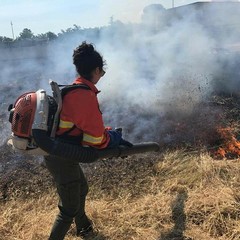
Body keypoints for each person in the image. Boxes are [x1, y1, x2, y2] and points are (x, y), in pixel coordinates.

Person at [44, 41, 132, 240]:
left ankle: (83, 226)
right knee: (68, 209)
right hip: (61, 156)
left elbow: (85, 129)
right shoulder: (83, 96)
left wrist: (109, 134)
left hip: (61, 151)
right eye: (102, 72)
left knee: (81, 188)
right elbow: (95, 140)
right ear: (97, 70)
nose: (102, 76)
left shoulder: (77, 90)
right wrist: (114, 139)